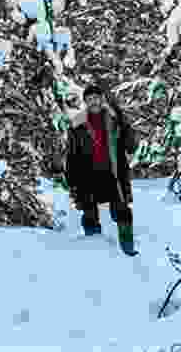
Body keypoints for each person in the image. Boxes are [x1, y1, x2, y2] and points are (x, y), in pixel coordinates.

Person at [65, 82, 139, 256]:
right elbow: (71, 155)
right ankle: (95, 254)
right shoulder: (78, 125)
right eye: (89, 99)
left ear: (102, 99)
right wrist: (72, 181)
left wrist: (125, 124)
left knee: (123, 212)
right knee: (89, 215)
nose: (94, 102)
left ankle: (128, 250)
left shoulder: (115, 119)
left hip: (114, 174)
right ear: (85, 102)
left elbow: (131, 146)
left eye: (96, 98)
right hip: (88, 176)